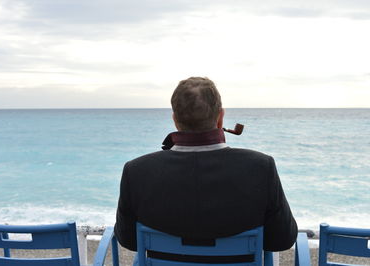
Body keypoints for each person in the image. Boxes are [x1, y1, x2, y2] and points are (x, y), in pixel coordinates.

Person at [114, 77, 297, 256]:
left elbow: (129, 240)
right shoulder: (261, 167)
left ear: (175, 119)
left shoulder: (136, 171)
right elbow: (282, 240)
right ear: (220, 117)